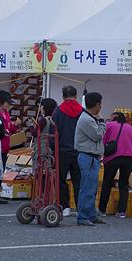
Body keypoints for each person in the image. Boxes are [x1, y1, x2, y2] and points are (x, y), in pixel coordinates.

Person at [75, 92, 106, 226]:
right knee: (87, 188)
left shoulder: (88, 118)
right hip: (87, 157)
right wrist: (102, 122)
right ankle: (83, 216)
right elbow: (98, 135)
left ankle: (91, 215)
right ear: (97, 104)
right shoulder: (87, 119)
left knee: (91, 189)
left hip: (92, 157)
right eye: (100, 103)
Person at [98, 112, 132, 218]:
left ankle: (102, 210)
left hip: (112, 157)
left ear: (114, 118)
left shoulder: (109, 125)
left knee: (107, 183)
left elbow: (103, 140)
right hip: (128, 158)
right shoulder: (130, 128)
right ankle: (121, 211)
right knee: (123, 184)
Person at [53, 86, 83, 216]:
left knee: (61, 180)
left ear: (63, 96)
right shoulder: (82, 111)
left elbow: (54, 132)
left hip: (62, 151)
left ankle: (65, 206)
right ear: (76, 96)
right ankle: (79, 207)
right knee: (78, 181)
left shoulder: (58, 111)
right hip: (79, 151)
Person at [0, 90, 22, 204]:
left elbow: (9, 128)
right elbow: (2, 129)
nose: (9, 105)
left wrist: (15, 125)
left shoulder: (6, 113)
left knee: (1, 171)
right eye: (7, 102)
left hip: (5, 146)